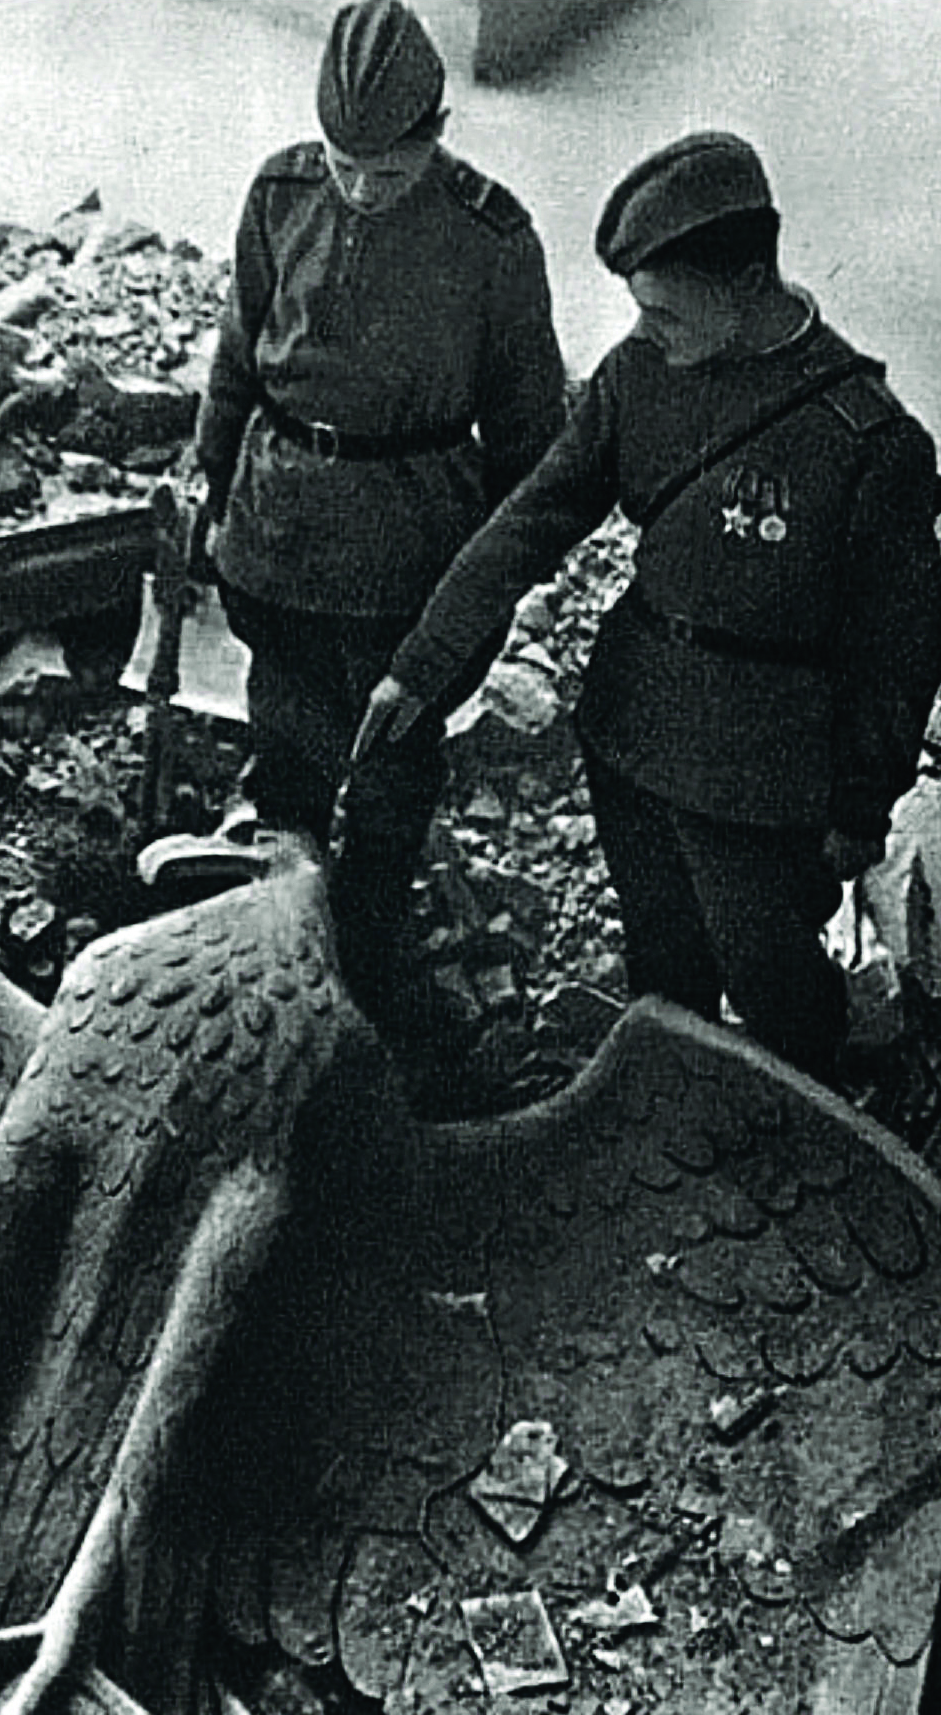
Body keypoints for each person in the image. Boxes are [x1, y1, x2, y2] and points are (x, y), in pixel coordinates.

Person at [340, 131, 941, 1085]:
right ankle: (671, 1123)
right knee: (662, 967)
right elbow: (531, 521)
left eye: (663, 308)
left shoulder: (871, 444)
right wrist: (422, 662)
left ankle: (801, 1141)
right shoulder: (638, 376)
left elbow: (897, 654)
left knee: (778, 984)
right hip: (631, 728)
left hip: (760, 771)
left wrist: (861, 806)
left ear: (746, 282)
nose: (645, 330)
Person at [146, 0, 566, 1022]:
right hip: (277, 528)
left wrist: (486, 587)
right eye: (343, 165)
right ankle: (277, 922)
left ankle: (368, 959)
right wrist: (207, 480)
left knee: (387, 766)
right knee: (285, 725)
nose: (360, 190)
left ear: (433, 136)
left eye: (386, 171)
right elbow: (238, 354)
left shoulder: (490, 238)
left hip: (407, 544)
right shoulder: (281, 194)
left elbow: (527, 436)